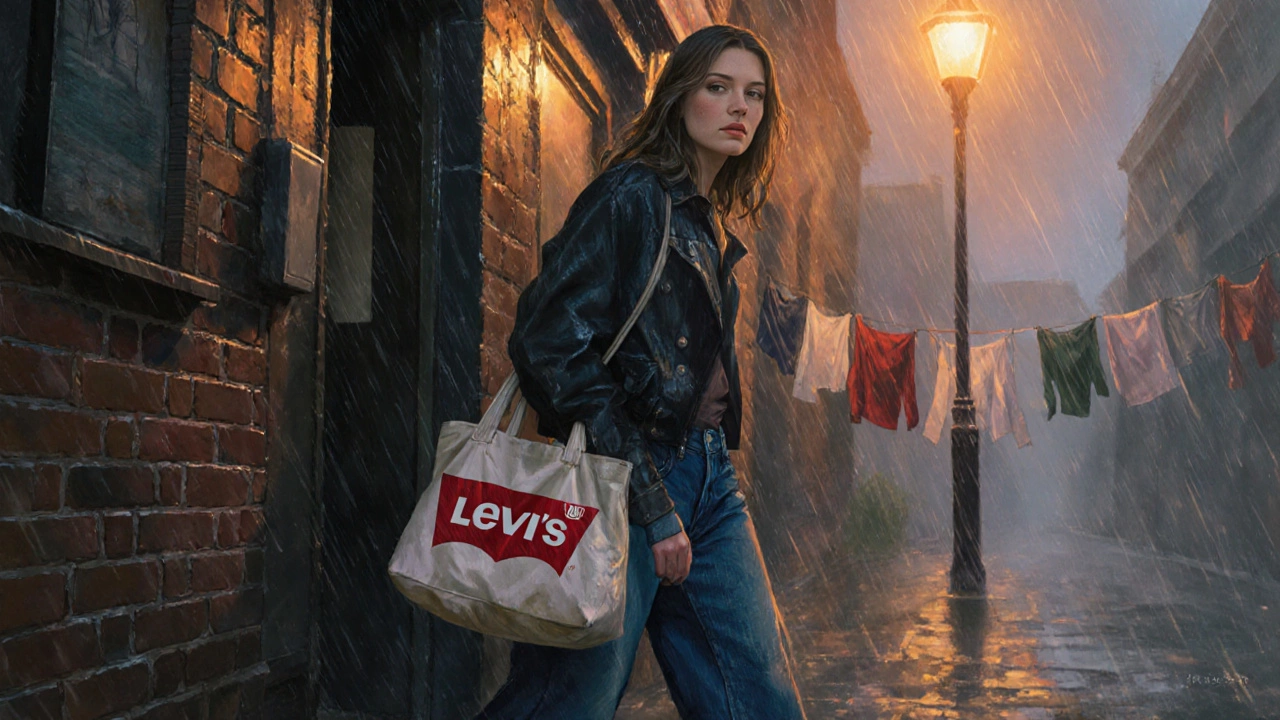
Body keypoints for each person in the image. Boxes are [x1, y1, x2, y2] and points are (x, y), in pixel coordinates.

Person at [478, 24, 804, 720]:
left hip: (712, 482)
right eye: (718, 88)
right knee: (569, 701)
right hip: (622, 476)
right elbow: (545, 341)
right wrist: (649, 499)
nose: (739, 107)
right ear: (680, 96)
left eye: (753, 93)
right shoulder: (632, 197)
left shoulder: (707, 222)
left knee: (759, 699)